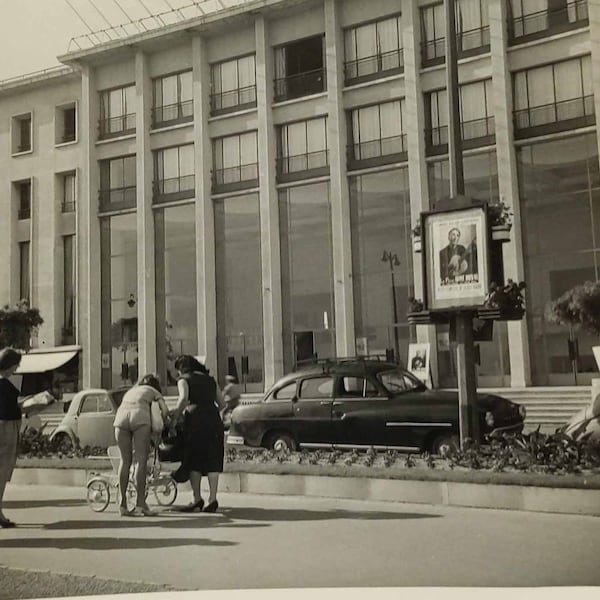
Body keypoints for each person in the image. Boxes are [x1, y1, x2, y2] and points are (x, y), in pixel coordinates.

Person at [172, 355, 226, 513]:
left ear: (182, 368)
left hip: (194, 421)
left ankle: (197, 499)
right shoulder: (210, 380)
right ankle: (213, 498)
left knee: (194, 459)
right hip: (213, 420)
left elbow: (183, 399)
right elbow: (222, 403)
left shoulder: (184, 380)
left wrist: (176, 416)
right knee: (213, 458)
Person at [113, 373, 169, 516]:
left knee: (125, 461)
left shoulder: (131, 391)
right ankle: (140, 504)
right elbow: (165, 410)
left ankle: (122, 503)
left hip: (120, 418)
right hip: (140, 417)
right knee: (141, 461)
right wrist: (165, 423)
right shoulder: (153, 391)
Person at [0, 348, 23, 528]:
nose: (17, 368)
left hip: (5, 426)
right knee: (1, 473)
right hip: (5, 429)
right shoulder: (5, 385)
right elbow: (12, 409)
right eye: (16, 364)